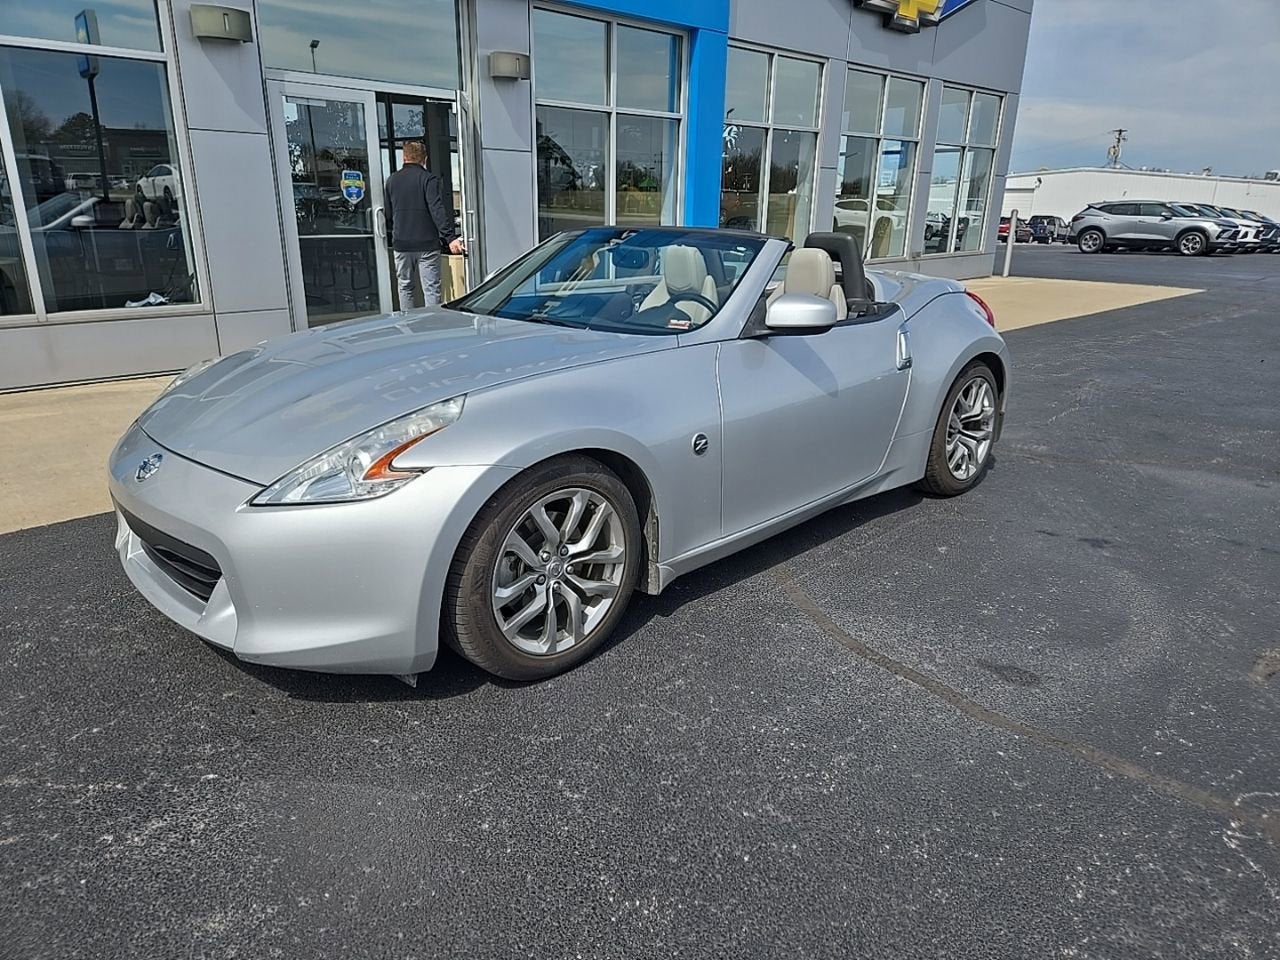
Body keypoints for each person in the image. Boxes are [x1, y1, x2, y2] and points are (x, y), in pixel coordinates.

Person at [384, 140, 464, 308]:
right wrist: (450, 237)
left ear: (404, 157)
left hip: (402, 244)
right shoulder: (428, 179)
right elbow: (437, 210)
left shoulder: (392, 180)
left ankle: (407, 324)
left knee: (405, 287)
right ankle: (432, 325)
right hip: (427, 244)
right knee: (431, 289)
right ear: (424, 159)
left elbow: (389, 214)